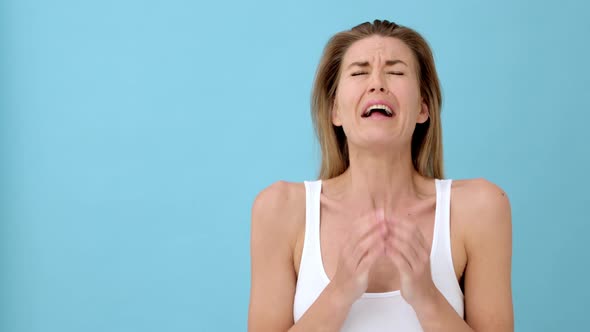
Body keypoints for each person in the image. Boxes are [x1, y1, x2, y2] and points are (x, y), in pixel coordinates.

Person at [248, 19, 513, 332]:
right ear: (335, 111)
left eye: (396, 72)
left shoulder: (481, 209)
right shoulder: (279, 209)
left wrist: (427, 297)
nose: (377, 84)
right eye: (359, 72)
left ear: (422, 109)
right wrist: (339, 292)